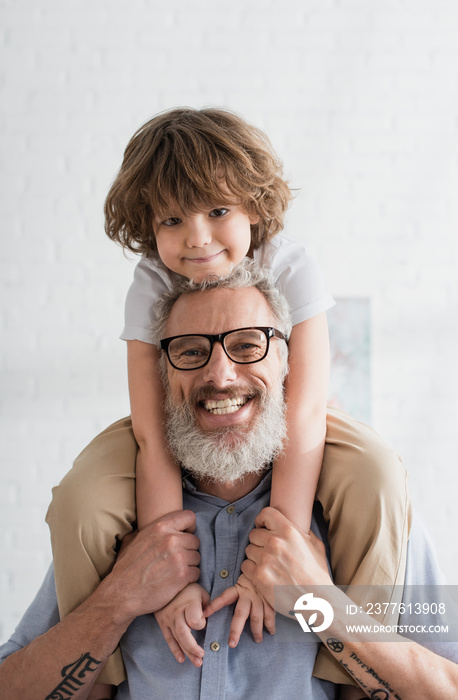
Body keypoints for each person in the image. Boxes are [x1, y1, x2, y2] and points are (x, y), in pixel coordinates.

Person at [45, 108, 410, 685]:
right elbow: (151, 428)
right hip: (173, 417)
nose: (197, 238)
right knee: (80, 502)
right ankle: (98, 679)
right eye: (172, 220)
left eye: (218, 211)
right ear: (148, 226)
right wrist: (171, 583)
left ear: (255, 207)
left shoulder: (290, 264)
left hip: (293, 410)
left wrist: (277, 561)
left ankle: (355, 672)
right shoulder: (150, 283)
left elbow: (306, 407)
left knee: (377, 475)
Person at [1, 262, 458, 700]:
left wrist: (324, 607)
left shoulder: (365, 512)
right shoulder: (116, 529)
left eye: (247, 346)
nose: (220, 375)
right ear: (163, 378)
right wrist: (117, 600)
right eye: (190, 351)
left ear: (287, 366)